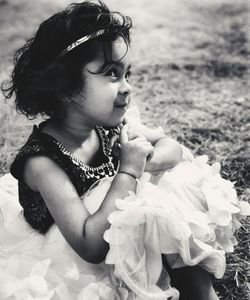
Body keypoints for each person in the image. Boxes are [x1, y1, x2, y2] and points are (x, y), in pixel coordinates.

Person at [0, 1, 248, 299]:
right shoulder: (42, 162)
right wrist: (129, 170)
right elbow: (89, 245)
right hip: (72, 250)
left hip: (120, 228)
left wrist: (149, 162)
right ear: (65, 87)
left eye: (126, 73)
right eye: (112, 75)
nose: (127, 86)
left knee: (166, 186)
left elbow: (173, 148)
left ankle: (197, 287)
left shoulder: (110, 124)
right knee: (140, 196)